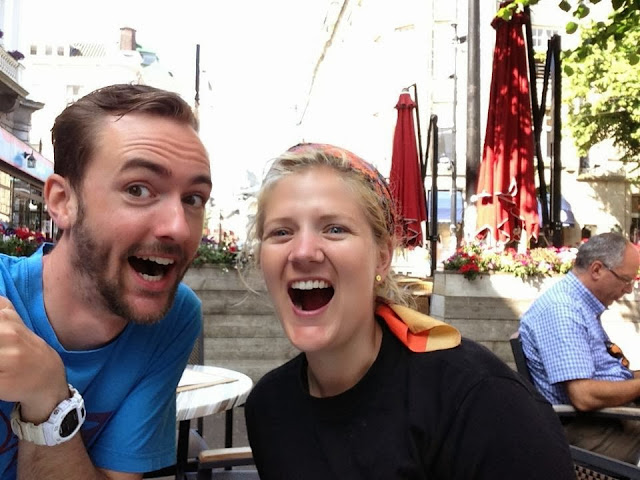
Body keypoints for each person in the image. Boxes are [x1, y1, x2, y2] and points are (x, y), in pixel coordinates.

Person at [244, 143, 574, 479]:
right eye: (281, 232)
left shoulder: (482, 403)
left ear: (383, 256)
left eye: (335, 229)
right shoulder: (269, 407)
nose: (302, 252)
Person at [0, 84, 212, 479]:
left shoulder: (175, 318)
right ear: (62, 201)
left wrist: (47, 397)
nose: (180, 228)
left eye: (194, 198)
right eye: (138, 189)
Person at [520, 231, 640, 464]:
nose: (628, 289)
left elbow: (605, 373)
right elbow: (584, 396)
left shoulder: (578, 305)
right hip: (590, 430)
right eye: (626, 280)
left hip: (605, 419)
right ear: (597, 270)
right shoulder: (563, 310)